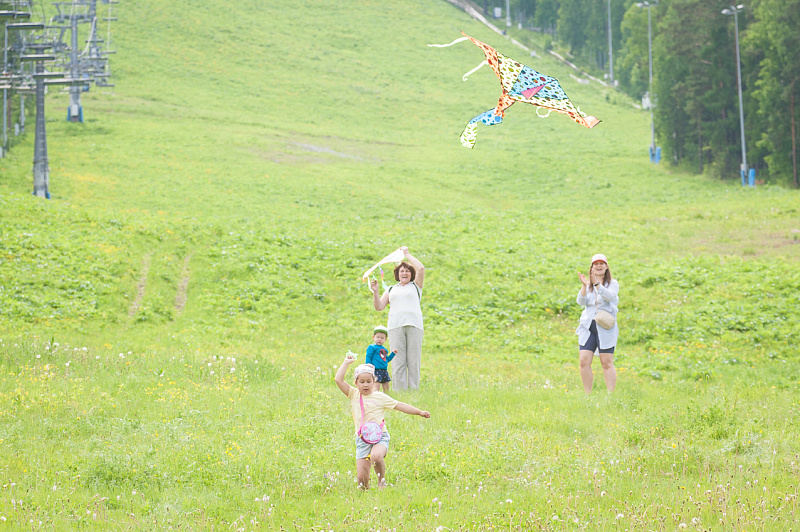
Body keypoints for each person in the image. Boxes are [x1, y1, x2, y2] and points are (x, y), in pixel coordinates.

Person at [334, 354, 430, 489]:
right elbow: (338, 380)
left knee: (376, 456)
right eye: (362, 382)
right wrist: (346, 363)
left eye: (369, 381)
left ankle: (381, 482)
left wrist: (419, 412)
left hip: (380, 437)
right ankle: (366, 496)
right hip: (362, 439)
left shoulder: (380, 397)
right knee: (361, 481)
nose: (365, 385)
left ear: (374, 382)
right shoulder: (354, 394)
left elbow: (400, 405)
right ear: (356, 383)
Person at [370, 246, 425, 390]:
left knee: (413, 360)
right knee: (398, 360)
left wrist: (407, 254)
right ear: (397, 274)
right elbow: (379, 306)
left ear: (411, 274)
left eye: (407, 271)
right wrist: (376, 292)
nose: (404, 273)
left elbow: (421, 269)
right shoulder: (391, 289)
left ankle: (413, 390)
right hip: (395, 326)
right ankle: (399, 391)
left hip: (414, 325)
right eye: (402, 271)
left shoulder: (416, 286)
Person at [576, 253, 620, 393]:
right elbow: (580, 301)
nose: (599, 266)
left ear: (606, 267)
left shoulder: (612, 284)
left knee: (606, 362)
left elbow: (610, 297)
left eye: (601, 263)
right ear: (592, 267)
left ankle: (610, 395)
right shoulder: (589, 284)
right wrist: (585, 286)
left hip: (605, 327)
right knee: (584, 361)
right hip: (588, 326)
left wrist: (597, 284)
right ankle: (588, 395)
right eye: (596, 264)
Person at [365, 325, 396, 392]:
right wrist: (368, 366)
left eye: (382, 338)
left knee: (386, 387)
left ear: (385, 339)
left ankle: (386, 396)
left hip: (384, 370)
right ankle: (375, 396)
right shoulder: (372, 347)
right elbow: (368, 356)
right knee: (376, 386)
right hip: (375, 369)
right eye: (378, 337)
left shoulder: (385, 349)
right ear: (373, 337)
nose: (379, 339)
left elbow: (386, 360)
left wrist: (393, 354)